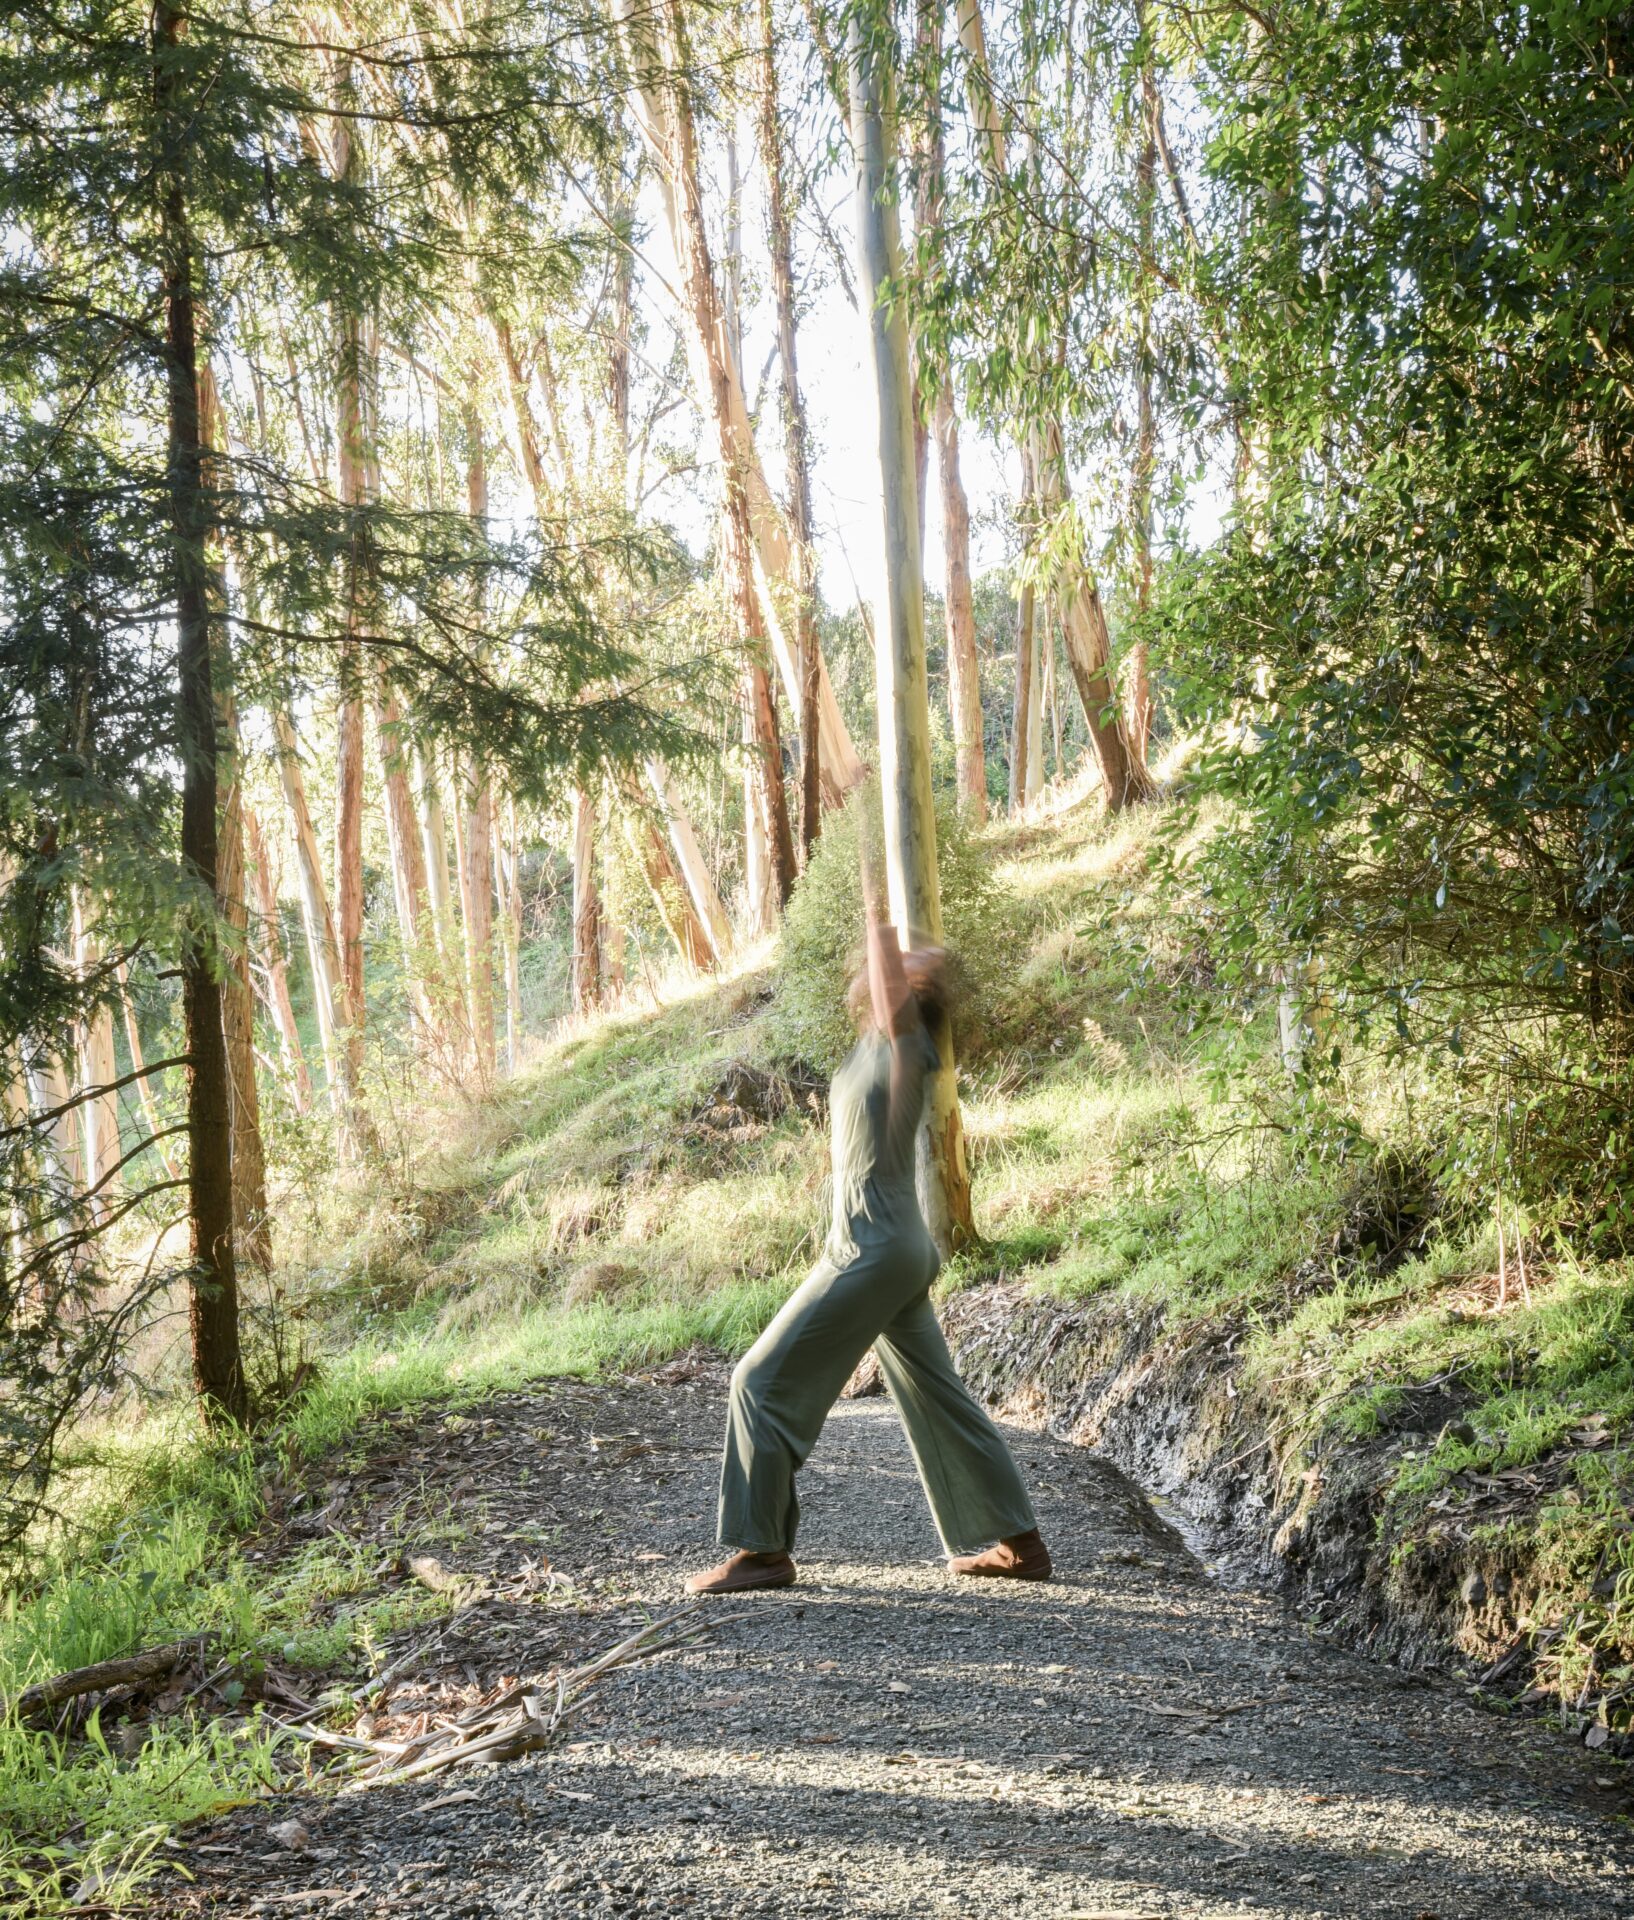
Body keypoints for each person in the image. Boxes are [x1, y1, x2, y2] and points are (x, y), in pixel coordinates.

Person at [684, 882, 1051, 1595]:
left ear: (911, 991)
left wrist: (875, 909)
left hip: (872, 1248)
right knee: (939, 1398)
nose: (883, 971)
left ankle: (762, 1553)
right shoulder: (873, 1050)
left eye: (902, 968)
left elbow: (888, 987)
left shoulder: (908, 1043)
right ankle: (1021, 1545)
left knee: (756, 1382)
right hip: (891, 1247)